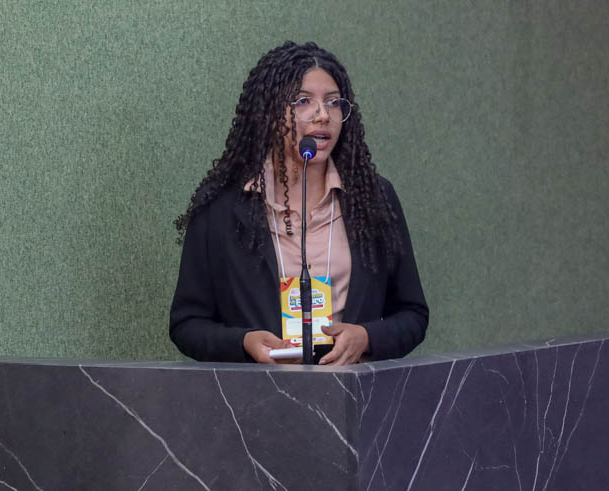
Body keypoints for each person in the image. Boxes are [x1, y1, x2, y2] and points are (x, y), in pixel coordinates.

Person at [169, 41, 428, 365]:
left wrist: (367, 338)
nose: (323, 115)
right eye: (303, 101)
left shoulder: (374, 199)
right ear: (269, 112)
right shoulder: (221, 207)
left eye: (334, 103)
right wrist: (244, 342)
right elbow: (187, 325)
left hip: (352, 391)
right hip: (259, 392)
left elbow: (413, 314)